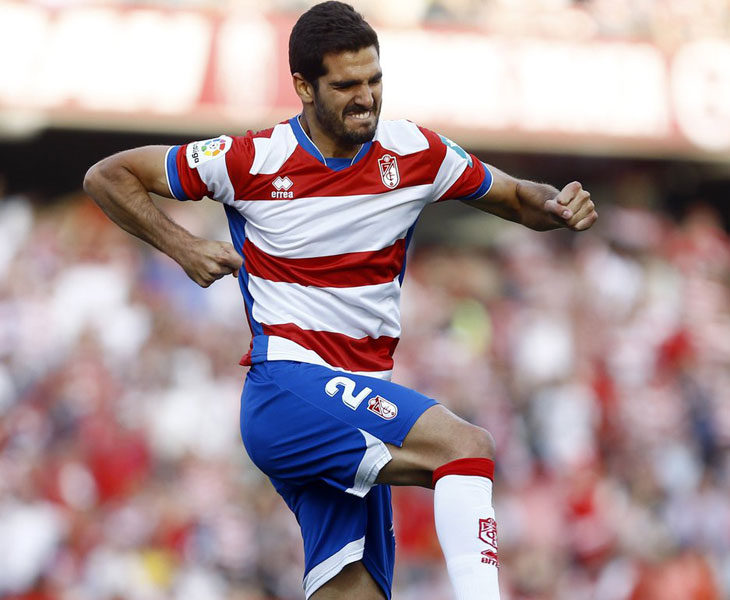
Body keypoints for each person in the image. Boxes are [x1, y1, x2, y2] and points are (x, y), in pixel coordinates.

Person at [83, 2, 598, 598]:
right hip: (289, 390)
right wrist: (183, 246)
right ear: (303, 86)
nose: (366, 98)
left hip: (348, 398)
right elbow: (108, 175)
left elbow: (514, 198)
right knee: (466, 449)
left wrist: (558, 207)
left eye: (374, 80)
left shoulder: (415, 153)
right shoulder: (253, 160)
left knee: (353, 591)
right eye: (346, 85)